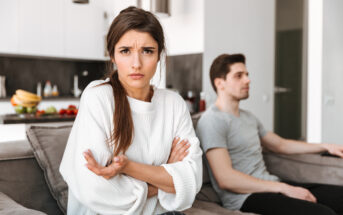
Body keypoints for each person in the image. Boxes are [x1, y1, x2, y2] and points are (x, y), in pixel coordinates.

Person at [59, 7, 202, 215]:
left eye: (147, 51)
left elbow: (192, 179)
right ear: (113, 56)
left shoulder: (174, 103)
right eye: (125, 51)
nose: (137, 64)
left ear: (159, 55)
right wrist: (164, 176)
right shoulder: (98, 96)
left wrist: (127, 168)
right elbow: (95, 190)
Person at [196, 53, 343, 215]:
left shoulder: (249, 117)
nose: (247, 80)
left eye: (247, 75)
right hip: (246, 197)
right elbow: (225, 178)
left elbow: (280, 144)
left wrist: (325, 146)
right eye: (239, 76)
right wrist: (284, 188)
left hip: (272, 184)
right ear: (220, 83)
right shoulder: (212, 121)